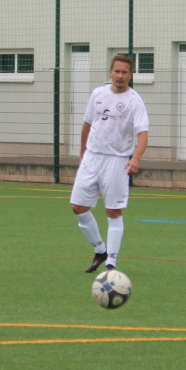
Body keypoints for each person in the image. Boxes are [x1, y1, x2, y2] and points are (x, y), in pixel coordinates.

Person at [70, 54, 149, 274]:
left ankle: (111, 262)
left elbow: (143, 133)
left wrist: (135, 158)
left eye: (125, 72)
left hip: (117, 161)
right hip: (92, 157)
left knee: (113, 212)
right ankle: (100, 249)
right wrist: (82, 153)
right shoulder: (98, 94)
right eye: (117, 71)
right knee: (78, 207)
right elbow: (87, 124)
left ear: (131, 74)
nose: (120, 76)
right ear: (110, 72)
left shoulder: (134, 101)